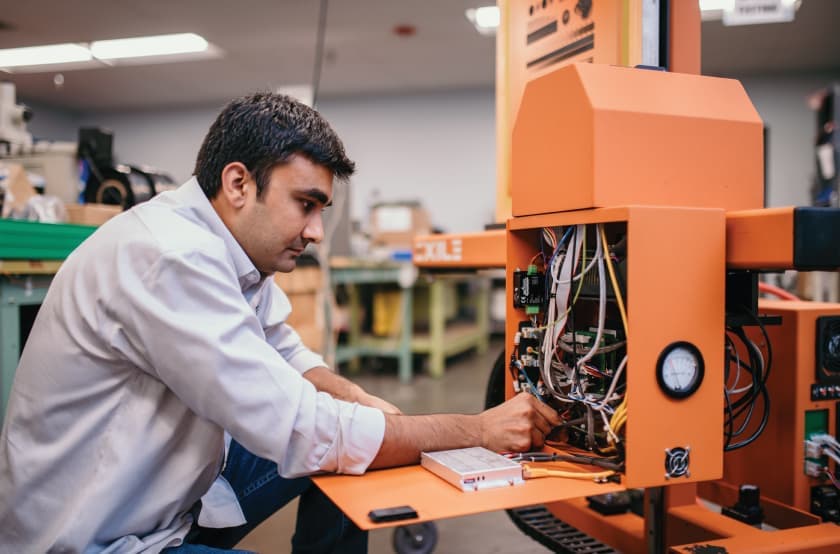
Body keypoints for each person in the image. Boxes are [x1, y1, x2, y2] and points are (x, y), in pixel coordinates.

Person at [0, 93, 559, 553]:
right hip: (95, 536)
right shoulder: (169, 257)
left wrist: (357, 396)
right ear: (239, 183)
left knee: (354, 450)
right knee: (338, 442)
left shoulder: (231, 249)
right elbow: (302, 430)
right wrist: (478, 429)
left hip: (159, 490)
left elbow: (283, 353)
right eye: (306, 205)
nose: (316, 231)